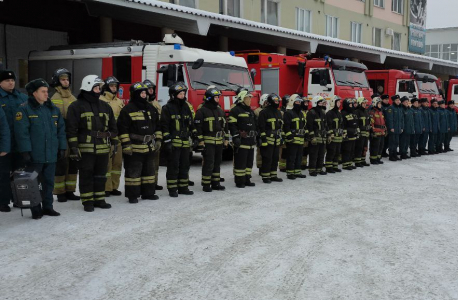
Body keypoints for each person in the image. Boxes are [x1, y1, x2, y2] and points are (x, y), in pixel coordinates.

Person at [15, 79, 66, 219]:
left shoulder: (53, 109)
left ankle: (48, 206)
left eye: (46, 91)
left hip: (50, 154)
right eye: (43, 91)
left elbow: (61, 130)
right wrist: (25, 151)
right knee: (34, 182)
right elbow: (21, 133)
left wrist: (62, 147)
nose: (46, 94)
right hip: (34, 154)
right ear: (34, 93)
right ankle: (35, 208)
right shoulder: (24, 109)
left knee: (49, 182)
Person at [67, 75, 118, 212]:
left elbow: (113, 126)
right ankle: (88, 201)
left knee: (102, 174)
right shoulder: (76, 106)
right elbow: (71, 129)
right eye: (96, 87)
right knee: (86, 174)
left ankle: (99, 199)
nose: (98, 90)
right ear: (88, 87)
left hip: (103, 147)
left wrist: (114, 142)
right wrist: (73, 147)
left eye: (99, 87)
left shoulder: (105, 106)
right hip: (86, 148)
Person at [117, 82, 162, 203]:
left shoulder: (151, 108)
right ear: (135, 94)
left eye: (145, 93)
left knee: (149, 172)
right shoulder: (128, 109)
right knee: (133, 173)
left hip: (149, 147)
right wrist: (126, 144)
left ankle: (148, 193)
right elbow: (123, 128)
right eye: (141, 93)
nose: (144, 95)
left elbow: (158, 125)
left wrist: (158, 140)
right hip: (134, 147)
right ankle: (133, 195)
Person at [50, 68, 80, 202]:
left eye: (67, 79)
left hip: (73, 135)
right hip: (60, 135)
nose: (66, 81)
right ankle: (60, 192)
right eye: (63, 79)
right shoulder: (54, 98)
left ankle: (70, 190)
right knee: (61, 163)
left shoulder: (73, 97)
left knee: (73, 163)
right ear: (57, 81)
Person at [161, 82, 196, 197]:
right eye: (180, 94)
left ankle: (183, 187)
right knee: (173, 166)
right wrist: (167, 141)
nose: (182, 95)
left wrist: (195, 136)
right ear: (173, 95)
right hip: (174, 142)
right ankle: (172, 189)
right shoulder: (167, 108)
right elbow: (164, 126)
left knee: (185, 165)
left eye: (183, 93)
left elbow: (191, 124)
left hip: (185, 142)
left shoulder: (186, 107)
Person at [0, 70, 28, 212]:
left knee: (19, 173)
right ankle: (3, 201)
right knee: (3, 174)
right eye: (7, 81)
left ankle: (19, 199)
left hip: (19, 144)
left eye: (12, 80)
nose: (11, 82)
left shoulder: (22, 98)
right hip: (3, 144)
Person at [194, 87, 228, 192]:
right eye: (216, 97)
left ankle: (216, 183)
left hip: (219, 142)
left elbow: (225, 126)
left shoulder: (220, 111)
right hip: (208, 143)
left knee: (217, 163)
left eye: (218, 97)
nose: (218, 99)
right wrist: (200, 141)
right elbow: (197, 128)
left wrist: (226, 139)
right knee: (209, 163)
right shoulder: (202, 111)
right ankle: (206, 184)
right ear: (209, 98)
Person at [99, 76, 124, 197]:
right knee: (106, 164)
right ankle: (106, 187)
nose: (114, 88)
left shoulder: (119, 102)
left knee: (117, 163)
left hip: (117, 136)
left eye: (115, 86)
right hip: (106, 137)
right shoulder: (101, 100)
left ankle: (114, 186)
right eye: (111, 86)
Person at [228, 89, 257, 188]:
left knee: (249, 162)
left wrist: (257, 136)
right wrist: (235, 136)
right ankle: (239, 181)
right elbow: (232, 125)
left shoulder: (251, 111)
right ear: (241, 99)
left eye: (250, 98)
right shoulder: (235, 110)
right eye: (247, 98)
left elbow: (255, 125)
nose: (249, 100)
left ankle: (247, 178)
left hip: (250, 141)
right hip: (241, 140)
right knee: (240, 162)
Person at [258, 93, 283, 183]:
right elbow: (261, 127)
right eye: (275, 101)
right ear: (270, 101)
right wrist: (263, 139)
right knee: (267, 158)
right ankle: (265, 176)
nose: (277, 103)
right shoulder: (264, 112)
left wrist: (281, 137)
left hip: (276, 140)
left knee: (275, 158)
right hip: (268, 140)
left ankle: (273, 175)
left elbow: (280, 126)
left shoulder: (278, 112)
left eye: (278, 101)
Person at [144, 79, 164, 190]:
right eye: (149, 89)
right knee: (147, 163)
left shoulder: (156, 104)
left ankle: (154, 182)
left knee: (155, 163)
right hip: (144, 138)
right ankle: (146, 184)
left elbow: (160, 122)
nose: (151, 91)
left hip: (155, 137)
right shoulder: (142, 104)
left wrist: (160, 138)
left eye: (152, 89)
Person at [283, 94, 307, 179]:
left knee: (299, 156)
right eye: (297, 102)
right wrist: (289, 136)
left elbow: (304, 125)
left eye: (300, 102)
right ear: (292, 102)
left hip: (300, 139)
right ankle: (290, 173)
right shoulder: (288, 113)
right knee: (291, 157)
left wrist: (306, 134)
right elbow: (286, 126)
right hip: (292, 140)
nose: (299, 103)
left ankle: (297, 172)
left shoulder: (301, 113)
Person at [306, 95, 327, 176]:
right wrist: (312, 137)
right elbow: (309, 126)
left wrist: (328, 135)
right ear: (315, 103)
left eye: (322, 102)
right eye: (320, 102)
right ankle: (312, 170)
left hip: (322, 137)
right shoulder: (311, 113)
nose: (321, 104)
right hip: (315, 137)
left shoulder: (322, 112)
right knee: (313, 154)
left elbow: (325, 125)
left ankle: (319, 168)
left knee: (321, 154)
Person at [325, 95, 343, 173]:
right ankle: (329, 167)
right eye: (337, 102)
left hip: (338, 137)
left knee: (337, 152)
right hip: (332, 137)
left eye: (339, 102)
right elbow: (328, 125)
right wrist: (330, 134)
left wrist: (343, 133)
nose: (339, 104)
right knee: (331, 152)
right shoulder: (329, 113)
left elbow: (341, 124)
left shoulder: (339, 113)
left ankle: (335, 166)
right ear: (333, 103)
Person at [341, 98, 359, 170]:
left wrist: (357, 131)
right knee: (346, 150)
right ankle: (345, 164)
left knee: (352, 150)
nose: (351, 106)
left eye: (352, 104)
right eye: (350, 104)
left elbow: (356, 123)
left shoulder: (353, 113)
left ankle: (350, 163)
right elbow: (343, 125)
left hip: (353, 134)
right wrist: (345, 134)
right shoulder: (343, 113)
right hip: (347, 135)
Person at [368, 96, 387, 164]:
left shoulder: (381, 112)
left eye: (380, 104)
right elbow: (371, 123)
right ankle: (373, 159)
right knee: (375, 146)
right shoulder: (372, 112)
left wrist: (385, 129)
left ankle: (378, 158)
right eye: (379, 103)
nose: (380, 105)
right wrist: (372, 131)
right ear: (375, 103)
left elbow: (383, 122)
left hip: (381, 132)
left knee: (380, 146)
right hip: (376, 132)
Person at [386, 95, 404, 161]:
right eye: (397, 100)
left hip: (398, 128)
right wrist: (391, 127)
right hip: (393, 128)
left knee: (396, 142)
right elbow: (390, 119)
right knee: (392, 142)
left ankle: (395, 155)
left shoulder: (399, 108)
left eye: (399, 100)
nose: (398, 101)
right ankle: (391, 155)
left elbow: (401, 119)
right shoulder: (391, 108)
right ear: (394, 101)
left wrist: (402, 127)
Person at [354, 97, 371, 167]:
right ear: (360, 103)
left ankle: (363, 160)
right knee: (359, 147)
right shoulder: (357, 112)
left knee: (365, 147)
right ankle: (357, 161)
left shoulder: (366, 111)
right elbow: (356, 123)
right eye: (363, 103)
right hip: (360, 133)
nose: (364, 104)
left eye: (365, 103)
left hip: (366, 133)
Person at [255, 94, 268, 172]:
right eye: (266, 102)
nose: (267, 104)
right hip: (260, 133)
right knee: (260, 151)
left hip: (268, 134)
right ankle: (260, 167)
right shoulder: (257, 111)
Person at [278, 94, 290, 173]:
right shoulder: (281, 111)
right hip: (283, 133)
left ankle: (287, 165)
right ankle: (282, 166)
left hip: (288, 132)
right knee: (283, 151)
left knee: (288, 150)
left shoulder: (289, 110)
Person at [301, 97, 311, 170]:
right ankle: (300, 164)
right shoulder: (300, 112)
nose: (306, 104)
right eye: (305, 103)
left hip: (308, 133)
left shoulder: (308, 112)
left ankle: (304, 164)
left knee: (306, 150)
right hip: (302, 133)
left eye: (307, 103)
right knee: (302, 150)